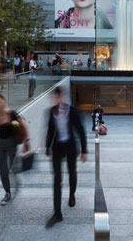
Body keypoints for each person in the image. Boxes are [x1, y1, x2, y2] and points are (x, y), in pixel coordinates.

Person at [45, 86, 87, 228]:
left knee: (72, 173)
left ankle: (71, 195)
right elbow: (50, 129)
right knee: (57, 179)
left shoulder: (72, 111)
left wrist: (84, 150)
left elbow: (80, 130)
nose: (56, 100)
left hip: (70, 147)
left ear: (63, 97)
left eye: (58, 97)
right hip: (57, 147)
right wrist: (47, 146)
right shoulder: (51, 111)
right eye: (54, 98)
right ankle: (57, 213)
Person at [0, 91, 30, 206]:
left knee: (11, 168)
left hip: (11, 143)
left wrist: (27, 141)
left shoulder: (12, 114)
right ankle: (7, 193)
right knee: (3, 171)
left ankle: (15, 178)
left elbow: (23, 125)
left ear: (2, 100)